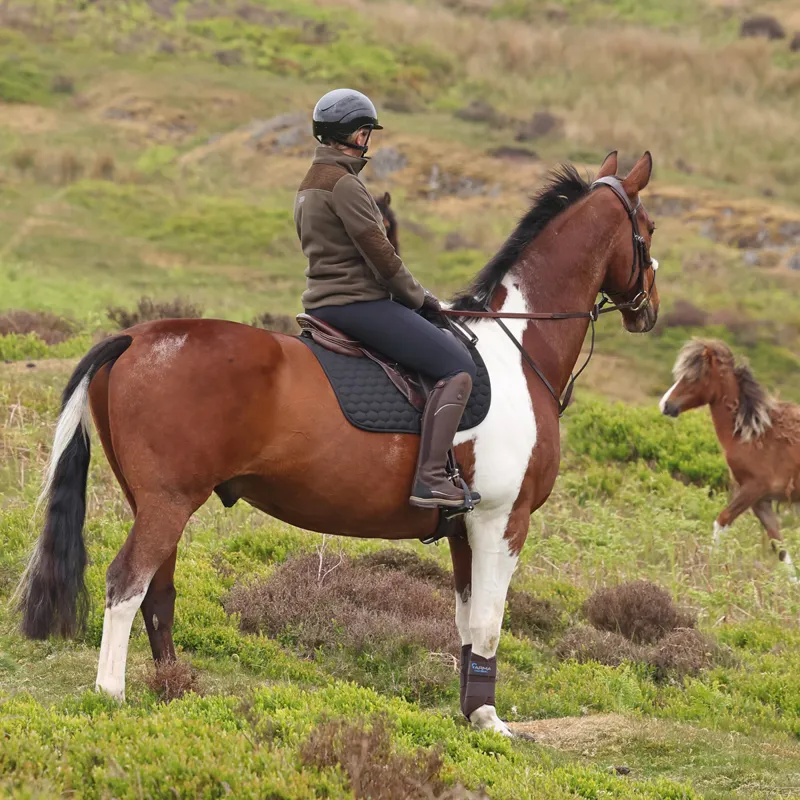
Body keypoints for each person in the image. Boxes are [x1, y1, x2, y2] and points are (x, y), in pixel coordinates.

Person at [295, 88, 479, 511]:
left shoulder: (308, 185)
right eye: (364, 130)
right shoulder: (345, 185)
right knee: (457, 367)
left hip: (322, 303)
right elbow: (383, 258)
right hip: (358, 304)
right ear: (348, 134)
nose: (367, 138)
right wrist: (421, 299)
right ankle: (431, 478)